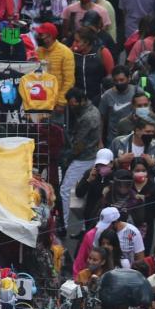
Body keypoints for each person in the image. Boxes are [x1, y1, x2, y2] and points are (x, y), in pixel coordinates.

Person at [61, 87, 103, 232]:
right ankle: (85, 226)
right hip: (91, 155)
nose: (72, 107)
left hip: (84, 158)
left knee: (65, 190)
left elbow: (79, 144)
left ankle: (64, 224)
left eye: (74, 104)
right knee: (85, 193)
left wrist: (67, 158)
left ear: (82, 100)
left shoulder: (87, 117)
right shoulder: (92, 111)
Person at [111, 116, 155, 195]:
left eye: (152, 132)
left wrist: (153, 165)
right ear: (137, 130)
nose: (151, 134)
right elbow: (107, 168)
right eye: (147, 132)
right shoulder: (118, 142)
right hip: (122, 188)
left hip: (146, 191)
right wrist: (119, 161)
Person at [74, 206, 146, 274]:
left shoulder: (133, 233)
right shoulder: (99, 232)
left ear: (116, 222)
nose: (104, 228)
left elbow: (140, 257)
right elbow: (95, 253)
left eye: (107, 225)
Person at [34, 22, 76, 113]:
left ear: (50, 36)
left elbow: (69, 81)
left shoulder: (66, 52)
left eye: (41, 35)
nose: (38, 37)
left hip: (57, 104)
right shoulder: (38, 51)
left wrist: (61, 102)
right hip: (39, 101)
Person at [99, 65, 141, 145]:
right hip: (113, 141)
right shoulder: (107, 96)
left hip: (134, 140)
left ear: (129, 78)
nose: (119, 83)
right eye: (116, 80)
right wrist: (100, 141)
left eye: (122, 80)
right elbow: (101, 119)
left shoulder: (137, 92)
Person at [74, 148, 115, 231]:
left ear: (112, 164)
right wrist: (89, 180)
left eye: (104, 164)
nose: (101, 167)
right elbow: (79, 193)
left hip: (109, 216)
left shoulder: (116, 176)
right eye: (99, 165)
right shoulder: (90, 173)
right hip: (91, 215)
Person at [72, 27, 114, 105]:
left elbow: (111, 76)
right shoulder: (71, 53)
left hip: (98, 99)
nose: (74, 44)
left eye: (77, 41)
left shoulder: (102, 52)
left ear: (86, 42)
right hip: (77, 101)